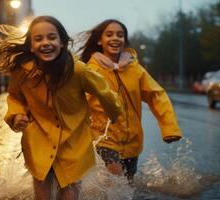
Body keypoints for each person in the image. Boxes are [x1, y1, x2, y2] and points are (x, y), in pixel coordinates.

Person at [0, 16, 122, 200]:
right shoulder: (22, 72)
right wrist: (17, 114)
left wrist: (114, 112)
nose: (46, 43)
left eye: (51, 37)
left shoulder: (78, 70)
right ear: (30, 46)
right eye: (38, 39)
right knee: (42, 193)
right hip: (38, 141)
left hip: (74, 143)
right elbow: (15, 96)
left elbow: (104, 92)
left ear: (62, 42)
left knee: (69, 195)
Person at [78, 19, 182, 182]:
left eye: (120, 35)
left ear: (125, 41)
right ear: (99, 40)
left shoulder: (136, 70)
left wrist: (170, 128)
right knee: (116, 178)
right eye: (109, 34)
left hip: (133, 142)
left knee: (127, 186)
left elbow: (157, 96)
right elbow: (75, 102)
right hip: (104, 138)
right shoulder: (90, 71)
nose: (115, 38)